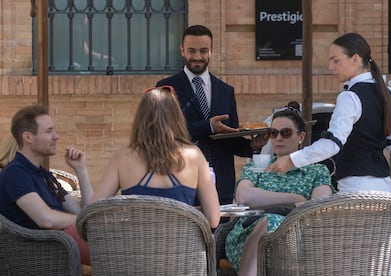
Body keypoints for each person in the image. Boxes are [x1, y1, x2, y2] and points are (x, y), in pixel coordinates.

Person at [266, 32, 391, 275]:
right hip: (386, 190)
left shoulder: (349, 96)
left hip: (356, 192)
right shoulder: (389, 93)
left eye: (336, 60)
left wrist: (292, 160)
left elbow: (332, 144)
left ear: (356, 58)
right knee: (385, 263)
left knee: (355, 263)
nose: (330, 67)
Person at [156, 25, 267, 205]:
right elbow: (164, 133)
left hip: (221, 185)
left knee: (220, 232)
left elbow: (230, 138)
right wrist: (207, 126)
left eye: (203, 51)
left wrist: (252, 146)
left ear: (212, 51)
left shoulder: (226, 91)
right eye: (191, 51)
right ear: (182, 50)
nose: (197, 57)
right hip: (180, 182)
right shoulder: (166, 88)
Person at [225, 103, 333, 276]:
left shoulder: (316, 170)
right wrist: (293, 198)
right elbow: (244, 196)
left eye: (286, 132)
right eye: (273, 133)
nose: (278, 138)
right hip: (247, 233)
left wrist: (265, 200)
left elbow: (317, 209)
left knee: (272, 220)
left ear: (301, 137)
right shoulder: (258, 164)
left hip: (297, 238)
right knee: (269, 220)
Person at [91, 86, 221, 228]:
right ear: (177, 117)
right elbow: (213, 219)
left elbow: (93, 211)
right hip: (182, 248)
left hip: (134, 247)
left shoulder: (123, 157)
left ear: (141, 119)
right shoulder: (194, 155)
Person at [0, 104, 93, 265]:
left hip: (62, 243)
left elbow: (84, 210)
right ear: (28, 137)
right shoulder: (15, 172)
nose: (56, 136)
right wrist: (83, 220)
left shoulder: (44, 174)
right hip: (39, 253)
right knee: (117, 250)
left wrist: (81, 170)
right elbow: (46, 219)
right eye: (49, 131)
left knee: (120, 246)